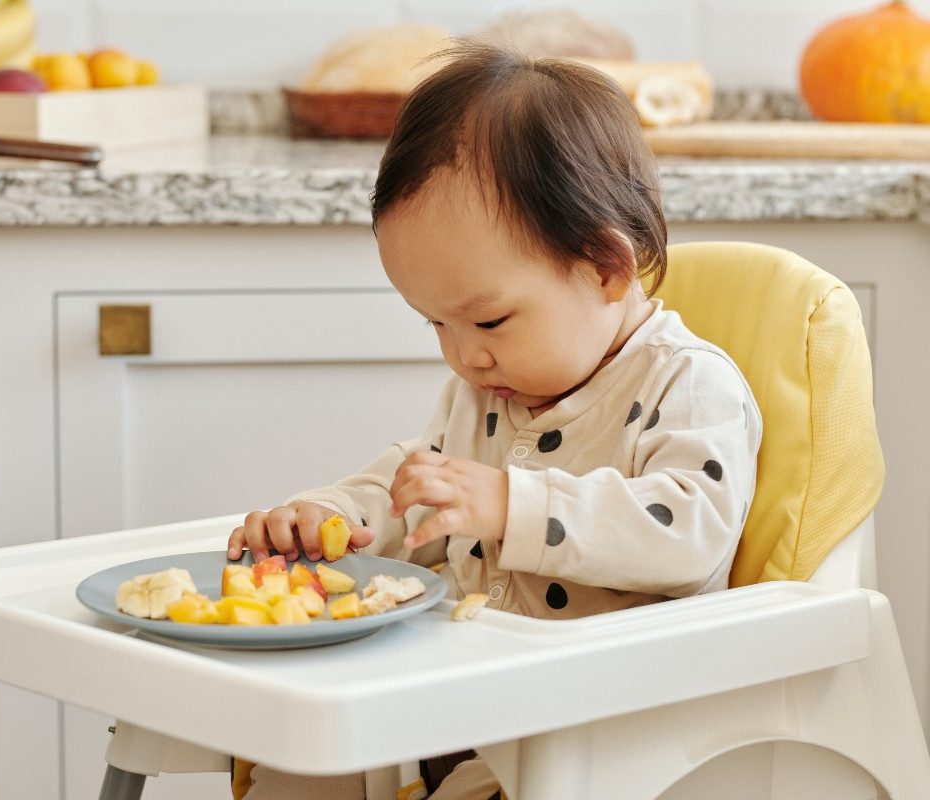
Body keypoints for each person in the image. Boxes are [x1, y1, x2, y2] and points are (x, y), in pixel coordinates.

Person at [228, 41, 761, 800]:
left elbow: (689, 529)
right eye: (434, 326)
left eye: (487, 320)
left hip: (608, 734)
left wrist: (514, 504)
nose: (463, 357)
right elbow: (425, 482)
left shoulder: (689, 382)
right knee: (299, 763)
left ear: (606, 268)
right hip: (474, 702)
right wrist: (335, 519)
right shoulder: (495, 383)